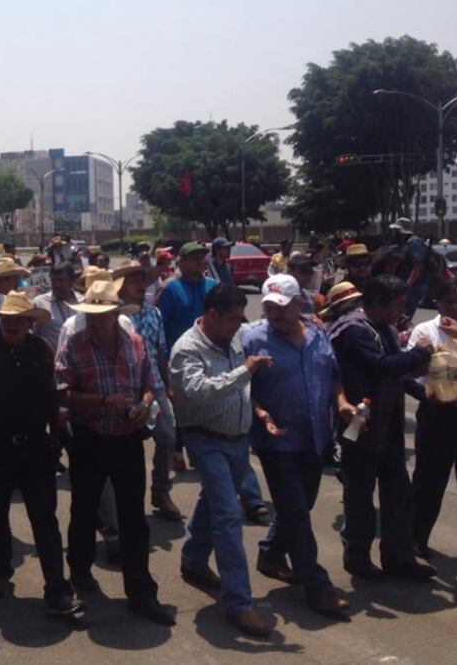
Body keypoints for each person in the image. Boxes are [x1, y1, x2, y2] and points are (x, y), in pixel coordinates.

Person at [55, 280, 175, 627]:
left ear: (114, 314)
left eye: (101, 316)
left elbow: (150, 386)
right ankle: (79, 572)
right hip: (90, 438)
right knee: (84, 509)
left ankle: (141, 593)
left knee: (133, 517)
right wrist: (101, 401)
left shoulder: (134, 343)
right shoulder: (74, 346)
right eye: (90, 316)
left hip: (126, 439)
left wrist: (143, 406)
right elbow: (61, 392)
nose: (95, 322)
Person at [243, 275, 353, 620]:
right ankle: (316, 584)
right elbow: (240, 386)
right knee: (296, 512)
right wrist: (259, 412)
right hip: (277, 442)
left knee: (300, 504)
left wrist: (343, 402)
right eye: (269, 306)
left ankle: (271, 553)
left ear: (298, 303)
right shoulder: (253, 338)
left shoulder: (317, 332)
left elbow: (332, 375)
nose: (275, 312)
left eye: (281, 305)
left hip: (316, 438)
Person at [171, 283, 272, 636]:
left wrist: (306, 320)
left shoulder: (233, 334)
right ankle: (239, 603)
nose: (237, 325)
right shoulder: (187, 350)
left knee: (214, 503)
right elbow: (200, 394)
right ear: (211, 315)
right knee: (229, 517)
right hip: (206, 439)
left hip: (237, 439)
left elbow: (259, 328)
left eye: (239, 319)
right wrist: (245, 370)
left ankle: (194, 560)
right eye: (231, 319)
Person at [0, 291, 83, 616]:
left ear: (29, 323)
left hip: (36, 446)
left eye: (19, 319)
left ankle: (57, 589)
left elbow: (53, 398)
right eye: (7, 319)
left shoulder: (41, 349)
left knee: (45, 519)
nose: (13, 325)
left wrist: (57, 439)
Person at [328, 275, 435, 581]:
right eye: (398, 304)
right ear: (376, 303)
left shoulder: (383, 327)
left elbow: (396, 371)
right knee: (360, 495)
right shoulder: (354, 330)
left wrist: (421, 392)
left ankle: (399, 557)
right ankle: (357, 558)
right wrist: (421, 353)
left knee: (397, 492)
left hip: (388, 424)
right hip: (360, 425)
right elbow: (381, 366)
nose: (402, 310)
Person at [113, 259, 182, 520]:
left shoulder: (154, 313)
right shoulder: (113, 314)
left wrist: (167, 385)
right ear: (121, 284)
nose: (140, 284)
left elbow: (160, 352)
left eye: (142, 279)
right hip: (125, 388)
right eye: (134, 279)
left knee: (166, 436)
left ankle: (161, 491)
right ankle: (125, 502)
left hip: (154, 385)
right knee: (127, 447)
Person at [407, 279, 457, 558]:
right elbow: (412, 371)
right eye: (448, 300)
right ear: (436, 303)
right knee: (429, 480)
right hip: (437, 412)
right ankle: (416, 538)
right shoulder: (425, 330)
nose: (454, 306)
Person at [32, 263, 79, 352]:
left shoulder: (82, 303)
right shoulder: (39, 303)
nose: (57, 285)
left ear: (72, 280)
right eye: (54, 280)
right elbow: (33, 335)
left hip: (79, 361)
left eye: (61, 280)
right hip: (51, 362)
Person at [391, 218, 431, 317]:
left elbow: (418, 265)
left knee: (410, 316)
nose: (395, 233)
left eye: (397, 230)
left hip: (414, 289)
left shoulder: (414, 242)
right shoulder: (406, 243)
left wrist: (408, 285)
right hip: (409, 288)